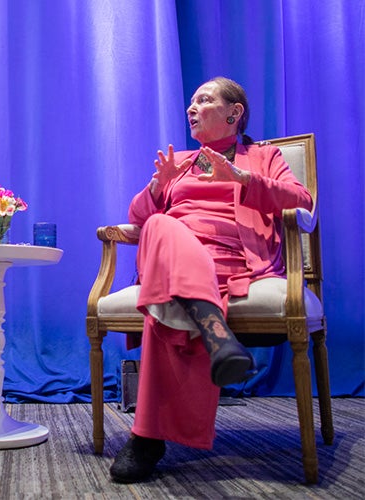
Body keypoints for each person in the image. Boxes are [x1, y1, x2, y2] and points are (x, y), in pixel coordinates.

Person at [109, 77, 313, 483]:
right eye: (190, 101)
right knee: (161, 225)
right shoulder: (182, 161)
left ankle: (147, 439)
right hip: (173, 254)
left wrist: (243, 179)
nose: (192, 108)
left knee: (163, 304)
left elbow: (301, 202)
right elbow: (137, 219)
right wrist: (157, 186)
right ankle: (218, 336)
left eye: (204, 100)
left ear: (234, 113)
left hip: (234, 260)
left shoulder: (263, 156)